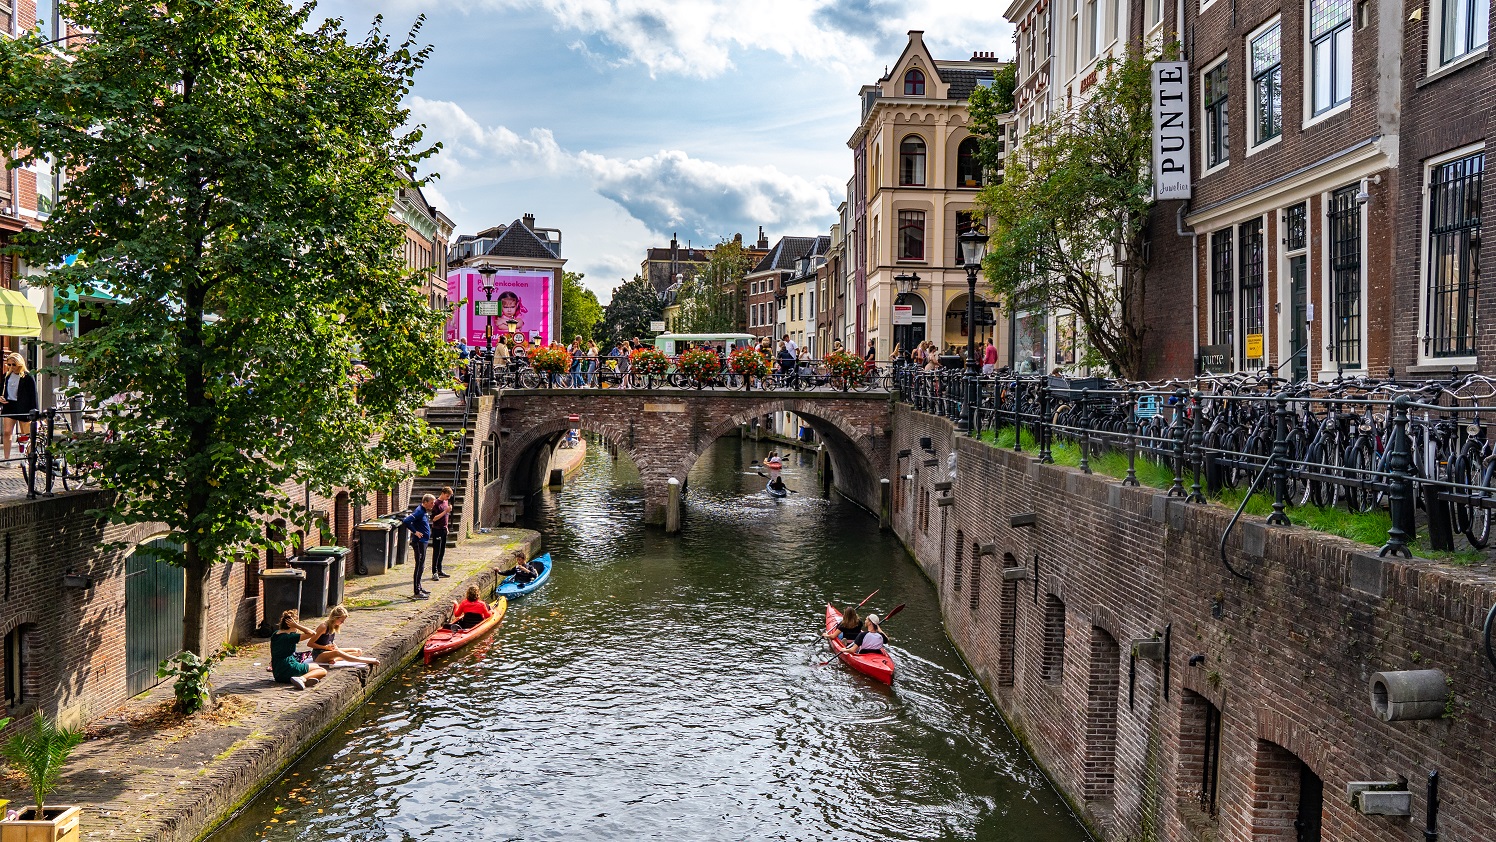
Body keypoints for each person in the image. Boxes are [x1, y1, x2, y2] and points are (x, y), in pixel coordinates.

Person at [271, 609, 328, 690]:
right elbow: (312, 633)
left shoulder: (275, 634)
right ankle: (301, 679)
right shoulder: (289, 637)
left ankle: (306, 679)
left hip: (278, 673)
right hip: (289, 668)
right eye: (296, 623)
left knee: (315, 666)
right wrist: (297, 626)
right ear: (292, 624)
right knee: (322, 670)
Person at [310, 606, 379, 666]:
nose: (342, 622)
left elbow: (329, 640)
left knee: (358, 651)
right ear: (335, 618)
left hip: (328, 650)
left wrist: (334, 646)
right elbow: (310, 643)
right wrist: (325, 647)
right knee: (338, 652)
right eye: (341, 620)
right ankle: (367, 661)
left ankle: (335, 659)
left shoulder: (334, 626)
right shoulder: (323, 627)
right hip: (319, 654)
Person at [0, 353, 37, 462]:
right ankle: (6, 459)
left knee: (26, 435)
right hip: (9, 406)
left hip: (24, 408)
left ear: (20, 364)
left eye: (14, 364)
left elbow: (33, 395)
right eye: (9, 364)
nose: (11, 367)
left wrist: (34, 412)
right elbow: (1, 390)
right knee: (7, 432)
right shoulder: (6, 376)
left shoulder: (28, 377)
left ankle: (30, 458)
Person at [402, 494, 436, 598]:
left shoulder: (424, 511)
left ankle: (420, 587)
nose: (433, 505)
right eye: (431, 503)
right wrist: (415, 532)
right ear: (425, 502)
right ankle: (416, 591)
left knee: (422, 565)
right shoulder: (419, 511)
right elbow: (406, 521)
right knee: (419, 565)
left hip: (424, 541)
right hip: (419, 542)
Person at [429, 486, 453, 581]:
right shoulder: (436, 504)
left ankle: (440, 570)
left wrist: (446, 527)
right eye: (447, 496)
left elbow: (446, 517)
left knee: (442, 550)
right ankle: (434, 572)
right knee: (436, 551)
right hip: (437, 529)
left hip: (443, 529)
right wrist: (445, 511)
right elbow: (434, 518)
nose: (448, 498)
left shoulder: (445, 502)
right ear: (442, 493)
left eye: (449, 497)